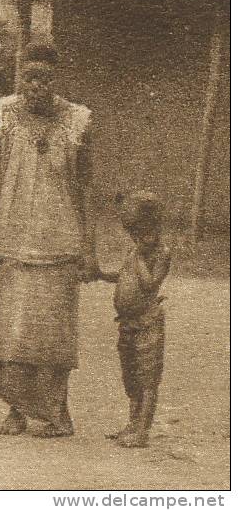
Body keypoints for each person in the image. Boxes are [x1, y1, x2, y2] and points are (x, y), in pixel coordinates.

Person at [0, 42, 99, 437]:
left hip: (61, 245)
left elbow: (87, 189)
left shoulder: (79, 121)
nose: (35, 86)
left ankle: (57, 415)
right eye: (28, 77)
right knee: (10, 331)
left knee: (52, 334)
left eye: (44, 78)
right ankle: (16, 411)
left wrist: (90, 249)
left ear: (56, 79)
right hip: (11, 242)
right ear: (19, 78)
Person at [99, 191, 171, 448]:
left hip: (147, 324)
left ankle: (142, 431)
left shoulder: (161, 253)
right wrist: (99, 274)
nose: (140, 238)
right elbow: (122, 276)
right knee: (130, 377)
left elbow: (150, 283)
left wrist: (139, 258)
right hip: (128, 324)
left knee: (148, 379)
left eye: (145, 233)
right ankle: (132, 423)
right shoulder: (135, 251)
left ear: (154, 229)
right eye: (137, 234)